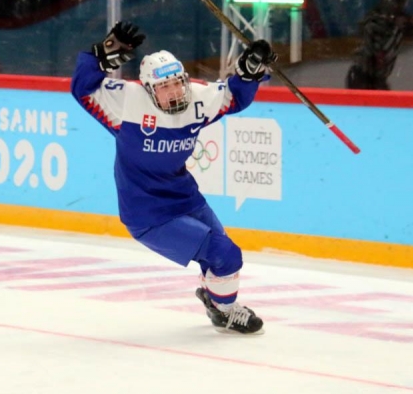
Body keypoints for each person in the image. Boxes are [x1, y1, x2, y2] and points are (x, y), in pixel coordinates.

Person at [70, 22, 277, 334]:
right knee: (227, 254)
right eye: (165, 87)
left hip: (186, 198)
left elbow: (234, 96)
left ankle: (218, 303)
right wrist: (103, 54)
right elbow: (82, 88)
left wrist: (250, 71)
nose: (175, 92)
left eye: (178, 83)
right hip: (148, 215)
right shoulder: (126, 102)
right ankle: (226, 309)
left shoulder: (197, 98)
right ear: (149, 89)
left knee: (219, 258)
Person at [345, 0, 413, 90]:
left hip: (377, 79)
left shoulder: (397, 19)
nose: (401, 4)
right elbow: (381, 56)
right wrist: (397, 29)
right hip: (364, 79)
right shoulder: (373, 22)